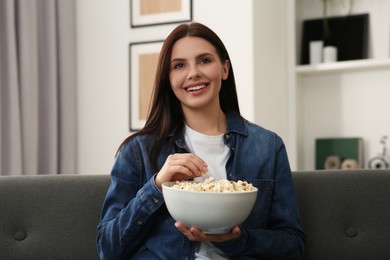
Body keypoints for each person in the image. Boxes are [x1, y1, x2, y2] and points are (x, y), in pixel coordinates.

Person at [97, 22, 306, 259]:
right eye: (179, 65)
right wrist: (156, 186)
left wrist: (238, 241)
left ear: (224, 69)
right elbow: (108, 248)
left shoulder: (268, 147)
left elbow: (293, 244)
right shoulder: (138, 150)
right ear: (168, 78)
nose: (193, 73)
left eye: (204, 60)